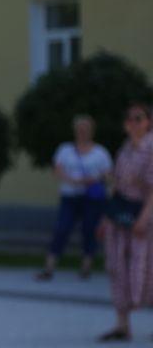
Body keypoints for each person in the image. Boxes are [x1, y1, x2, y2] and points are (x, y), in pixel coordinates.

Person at [97, 102, 153, 342]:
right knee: (117, 266)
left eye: (138, 118)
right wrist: (106, 217)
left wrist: (144, 219)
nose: (133, 123)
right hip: (120, 215)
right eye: (129, 119)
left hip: (144, 215)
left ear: (148, 121)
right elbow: (118, 187)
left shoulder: (150, 148)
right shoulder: (126, 148)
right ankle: (122, 324)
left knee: (147, 269)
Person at [38, 114, 112, 281]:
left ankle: (86, 267)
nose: (82, 132)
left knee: (89, 231)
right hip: (70, 196)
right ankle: (49, 267)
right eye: (80, 129)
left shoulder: (100, 152)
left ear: (92, 131)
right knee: (61, 229)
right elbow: (57, 169)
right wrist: (72, 180)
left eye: (86, 129)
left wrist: (93, 180)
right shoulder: (65, 149)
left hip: (92, 198)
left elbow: (108, 174)